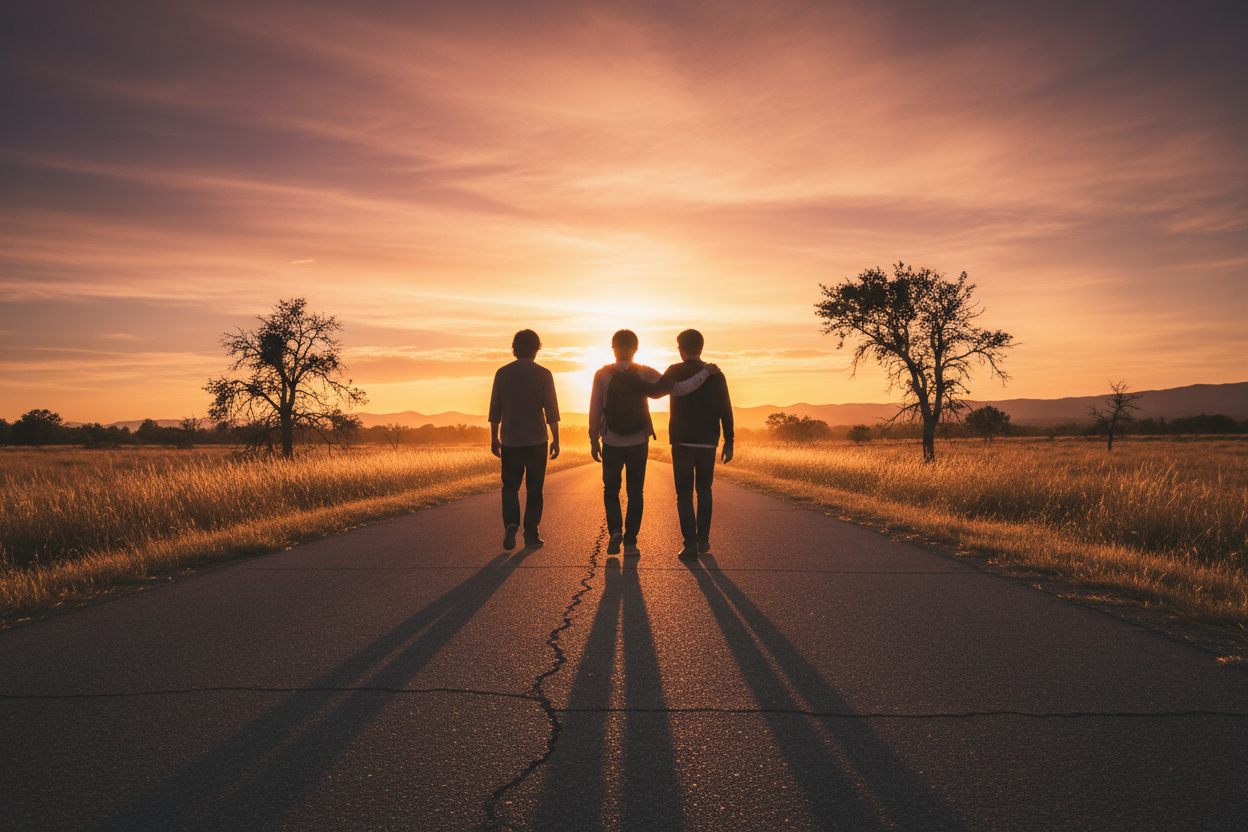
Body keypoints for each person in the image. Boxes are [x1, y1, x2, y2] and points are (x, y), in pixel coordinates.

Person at [588, 329, 717, 558]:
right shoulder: (646, 373)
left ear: (613, 348)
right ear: (636, 349)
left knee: (611, 489)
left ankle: (616, 530)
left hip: (611, 440)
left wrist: (593, 438)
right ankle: (630, 542)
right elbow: (678, 389)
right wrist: (704, 373)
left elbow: (595, 408)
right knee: (636, 491)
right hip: (638, 440)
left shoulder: (602, 374)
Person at [660, 329, 733, 559]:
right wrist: (728, 441)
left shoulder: (673, 371)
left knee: (684, 496)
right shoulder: (716, 374)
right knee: (704, 492)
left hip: (682, 441)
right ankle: (703, 541)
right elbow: (726, 409)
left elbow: (658, 390)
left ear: (680, 348)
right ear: (701, 347)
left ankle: (690, 544)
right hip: (708, 443)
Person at [489, 329, 560, 550]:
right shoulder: (544, 373)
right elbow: (552, 411)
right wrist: (556, 439)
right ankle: (531, 534)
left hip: (510, 440)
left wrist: (494, 438)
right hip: (537, 440)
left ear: (514, 348)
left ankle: (511, 523)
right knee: (535, 489)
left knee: (510, 487)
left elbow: (495, 410)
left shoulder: (502, 373)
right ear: (537, 348)